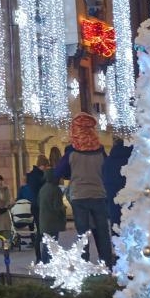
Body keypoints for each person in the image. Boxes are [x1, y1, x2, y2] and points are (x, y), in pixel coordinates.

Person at [55, 112, 113, 268]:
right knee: (102, 233)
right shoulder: (100, 151)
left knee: (83, 234)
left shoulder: (71, 152)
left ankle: (84, 265)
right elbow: (107, 170)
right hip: (98, 195)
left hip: (79, 197)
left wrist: (72, 172)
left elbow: (58, 173)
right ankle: (107, 265)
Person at [102, 137, 133, 229]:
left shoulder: (108, 161)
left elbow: (103, 177)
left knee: (116, 223)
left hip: (113, 196)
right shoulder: (134, 160)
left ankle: (117, 241)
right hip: (131, 196)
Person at [38, 168, 66, 264]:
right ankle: (49, 264)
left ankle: (45, 262)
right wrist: (63, 209)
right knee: (53, 243)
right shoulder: (56, 189)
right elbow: (57, 207)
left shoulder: (43, 188)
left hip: (44, 221)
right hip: (53, 222)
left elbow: (39, 203)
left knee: (46, 243)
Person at [26, 156, 49, 260]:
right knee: (41, 231)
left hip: (35, 206)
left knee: (40, 231)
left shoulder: (32, 175)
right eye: (46, 166)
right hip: (39, 206)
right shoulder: (39, 176)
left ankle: (40, 257)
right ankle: (40, 257)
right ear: (43, 165)